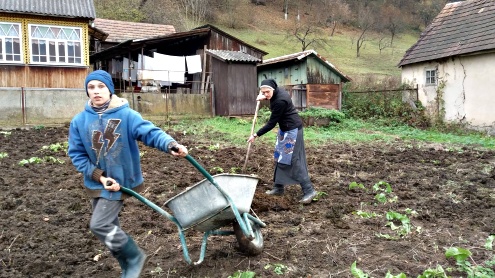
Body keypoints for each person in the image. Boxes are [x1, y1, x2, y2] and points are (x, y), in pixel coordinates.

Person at [68, 70, 188, 278]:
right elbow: (77, 154)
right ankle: (126, 265)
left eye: (101, 87)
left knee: (100, 224)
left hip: (121, 180)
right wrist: (99, 176)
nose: (96, 91)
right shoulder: (79, 122)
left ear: (109, 89)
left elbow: (150, 132)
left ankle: (134, 258)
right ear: (87, 91)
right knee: (109, 226)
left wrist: (170, 144)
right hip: (98, 182)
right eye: (91, 87)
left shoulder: (126, 115)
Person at [247, 79, 317, 204]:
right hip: (284, 129)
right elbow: (270, 98)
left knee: (294, 160)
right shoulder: (276, 92)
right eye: (263, 92)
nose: (266, 94)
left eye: (267, 92)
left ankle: (309, 190)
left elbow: (271, 123)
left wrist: (256, 135)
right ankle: (278, 187)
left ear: (273, 89)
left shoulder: (280, 100)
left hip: (292, 130)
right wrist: (264, 97)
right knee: (279, 156)